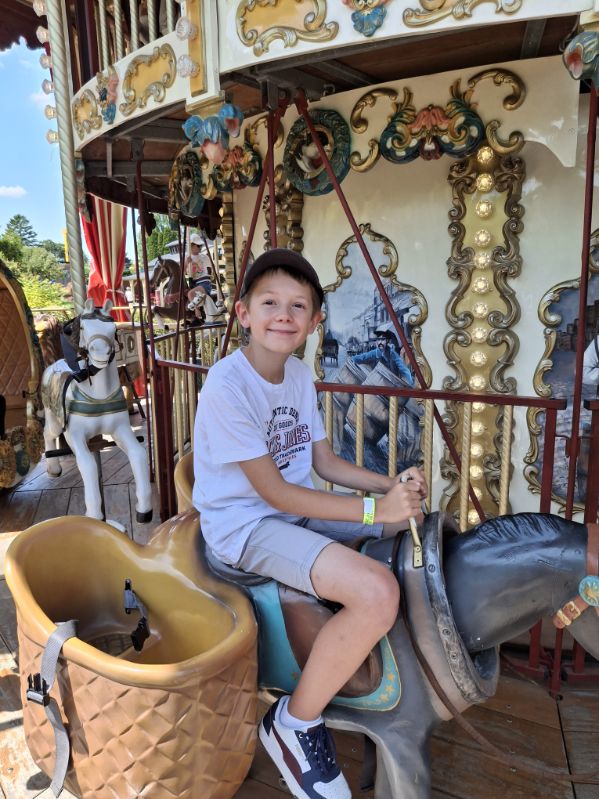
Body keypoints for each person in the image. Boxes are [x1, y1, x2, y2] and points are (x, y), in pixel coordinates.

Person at [193, 248, 427, 799]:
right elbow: (273, 491)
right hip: (245, 526)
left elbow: (323, 462)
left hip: (291, 512)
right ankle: (295, 722)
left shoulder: (298, 375)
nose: (284, 315)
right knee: (376, 590)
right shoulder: (227, 386)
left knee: (409, 533)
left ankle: (388, 679)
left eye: (298, 306)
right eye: (270, 303)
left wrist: (388, 487)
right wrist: (372, 511)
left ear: (315, 320)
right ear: (243, 313)